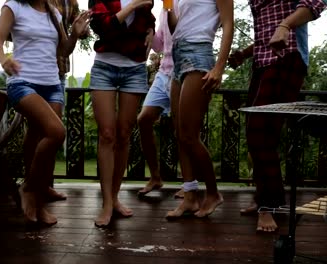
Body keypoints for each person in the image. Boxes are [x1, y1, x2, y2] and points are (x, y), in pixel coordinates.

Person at [228, 0, 327, 232]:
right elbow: (267, 34)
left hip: (288, 57)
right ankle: (265, 196)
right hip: (262, 63)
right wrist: (244, 53)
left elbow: (317, 3)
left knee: (260, 133)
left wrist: (285, 25)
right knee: (257, 134)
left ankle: (269, 205)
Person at [0, 0, 90, 224]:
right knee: (56, 132)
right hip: (23, 83)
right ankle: (29, 189)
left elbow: (63, 50)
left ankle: (38, 203)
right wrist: (4, 59)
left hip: (52, 84)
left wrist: (74, 34)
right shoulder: (13, 6)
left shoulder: (53, 12)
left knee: (39, 137)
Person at [88, 0, 155, 227]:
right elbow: (103, 26)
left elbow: (150, 19)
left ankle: (114, 198)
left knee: (125, 133)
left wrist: (151, 31)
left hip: (134, 69)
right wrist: (134, 4)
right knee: (107, 134)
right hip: (104, 67)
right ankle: (106, 203)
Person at [165, 0, 234, 218]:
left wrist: (219, 67)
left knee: (189, 135)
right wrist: (167, 5)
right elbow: (176, 26)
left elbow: (228, 23)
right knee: (180, 134)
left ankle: (213, 193)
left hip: (199, 52)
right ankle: (190, 197)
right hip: (178, 54)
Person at [45, 0, 90, 202]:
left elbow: (82, 31)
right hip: (30, 73)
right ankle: (34, 184)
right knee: (38, 131)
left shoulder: (68, 1)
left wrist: (81, 29)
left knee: (53, 131)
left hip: (58, 71)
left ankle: (46, 185)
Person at [136, 7, 184, 198]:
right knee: (144, 119)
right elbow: (159, 45)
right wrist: (150, 30)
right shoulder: (165, 8)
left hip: (183, 71)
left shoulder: (188, 5)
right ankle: (155, 177)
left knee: (182, 129)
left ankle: (190, 183)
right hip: (164, 72)